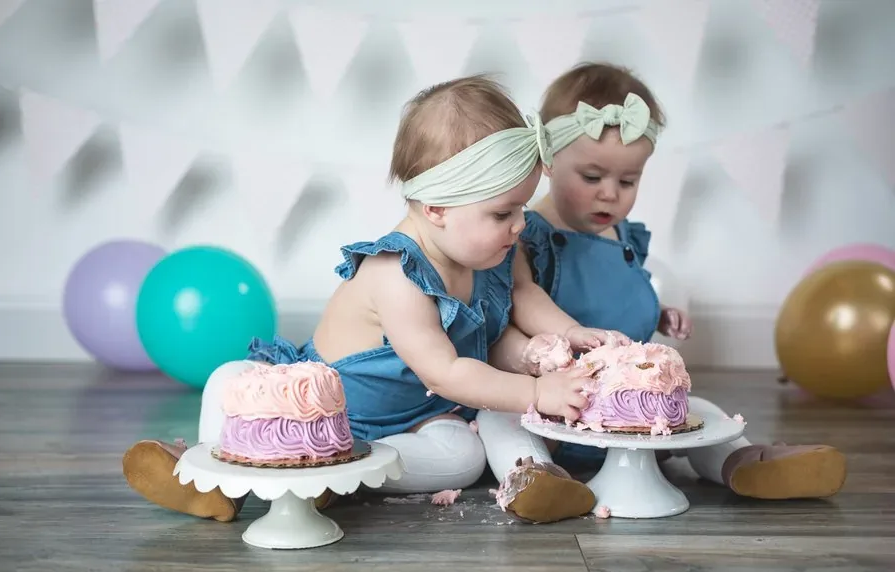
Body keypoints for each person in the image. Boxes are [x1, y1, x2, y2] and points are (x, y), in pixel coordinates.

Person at [122, 74, 624, 524]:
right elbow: (443, 373)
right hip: (320, 410)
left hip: (414, 422)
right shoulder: (396, 274)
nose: (520, 224)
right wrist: (538, 392)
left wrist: (567, 333)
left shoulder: (495, 250)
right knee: (227, 380)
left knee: (466, 455)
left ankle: (531, 477)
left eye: (521, 207)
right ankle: (205, 477)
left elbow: (522, 293)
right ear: (436, 208)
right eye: (503, 213)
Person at [477, 63, 847, 516]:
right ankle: (538, 479)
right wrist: (571, 332)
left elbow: (619, 295)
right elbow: (522, 295)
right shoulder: (525, 230)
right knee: (497, 418)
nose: (610, 194)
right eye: (592, 178)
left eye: (627, 181)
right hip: (555, 405)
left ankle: (746, 464)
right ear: (549, 161)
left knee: (703, 411)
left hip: (630, 412)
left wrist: (659, 312)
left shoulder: (624, 236)